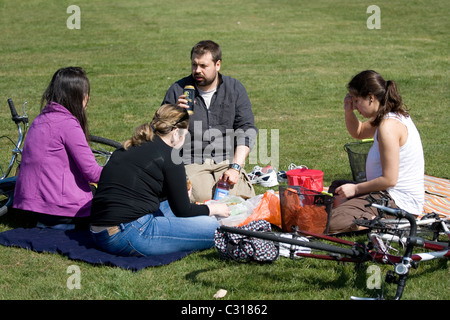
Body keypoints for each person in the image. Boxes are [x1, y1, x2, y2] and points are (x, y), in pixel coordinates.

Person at [89, 104, 230, 257]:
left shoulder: (128, 146)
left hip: (98, 232)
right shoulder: (170, 156)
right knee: (213, 228)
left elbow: (145, 190)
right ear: (176, 133)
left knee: (170, 206)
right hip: (127, 234)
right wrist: (213, 209)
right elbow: (183, 210)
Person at [328, 70, 424, 234]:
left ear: (371, 98)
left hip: (397, 200)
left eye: (357, 100)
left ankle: (382, 222)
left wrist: (356, 189)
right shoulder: (388, 116)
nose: (356, 105)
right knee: (337, 188)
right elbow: (358, 132)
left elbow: (389, 179)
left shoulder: (388, 127)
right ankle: (365, 213)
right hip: (385, 193)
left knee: (330, 222)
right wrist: (348, 111)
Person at [162, 40, 258, 203]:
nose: (197, 70)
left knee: (241, 199)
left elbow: (246, 129)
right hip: (192, 160)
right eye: (194, 65)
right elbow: (158, 134)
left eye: (203, 66)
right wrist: (174, 115)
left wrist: (235, 167)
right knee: (202, 197)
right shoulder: (178, 89)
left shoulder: (234, 88)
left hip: (226, 160)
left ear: (217, 64)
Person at [13, 67, 102, 230]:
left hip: (29, 206)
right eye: (86, 93)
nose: (88, 98)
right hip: (58, 210)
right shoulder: (67, 124)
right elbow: (93, 173)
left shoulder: (40, 119)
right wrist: (123, 170)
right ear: (77, 96)